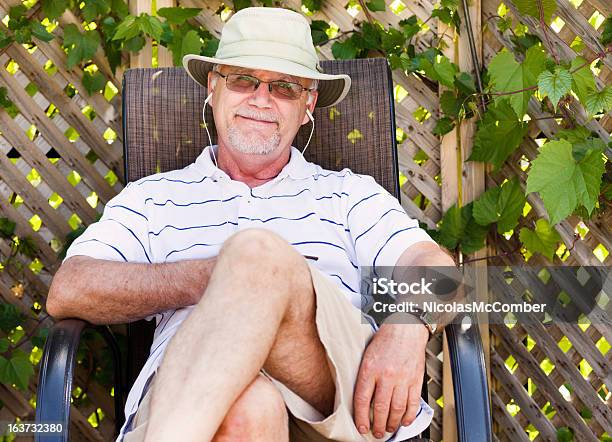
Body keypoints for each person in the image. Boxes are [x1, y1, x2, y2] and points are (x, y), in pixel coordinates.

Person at [47, 7, 456, 442]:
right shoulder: (154, 198)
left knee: (258, 255)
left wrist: (410, 325)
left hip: (335, 409)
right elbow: (69, 290)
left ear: (308, 104)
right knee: (247, 409)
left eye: (283, 87)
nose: (261, 100)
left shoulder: (350, 196)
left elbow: (442, 272)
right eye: (243, 80)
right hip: (193, 406)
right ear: (213, 88)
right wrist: (219, 281)